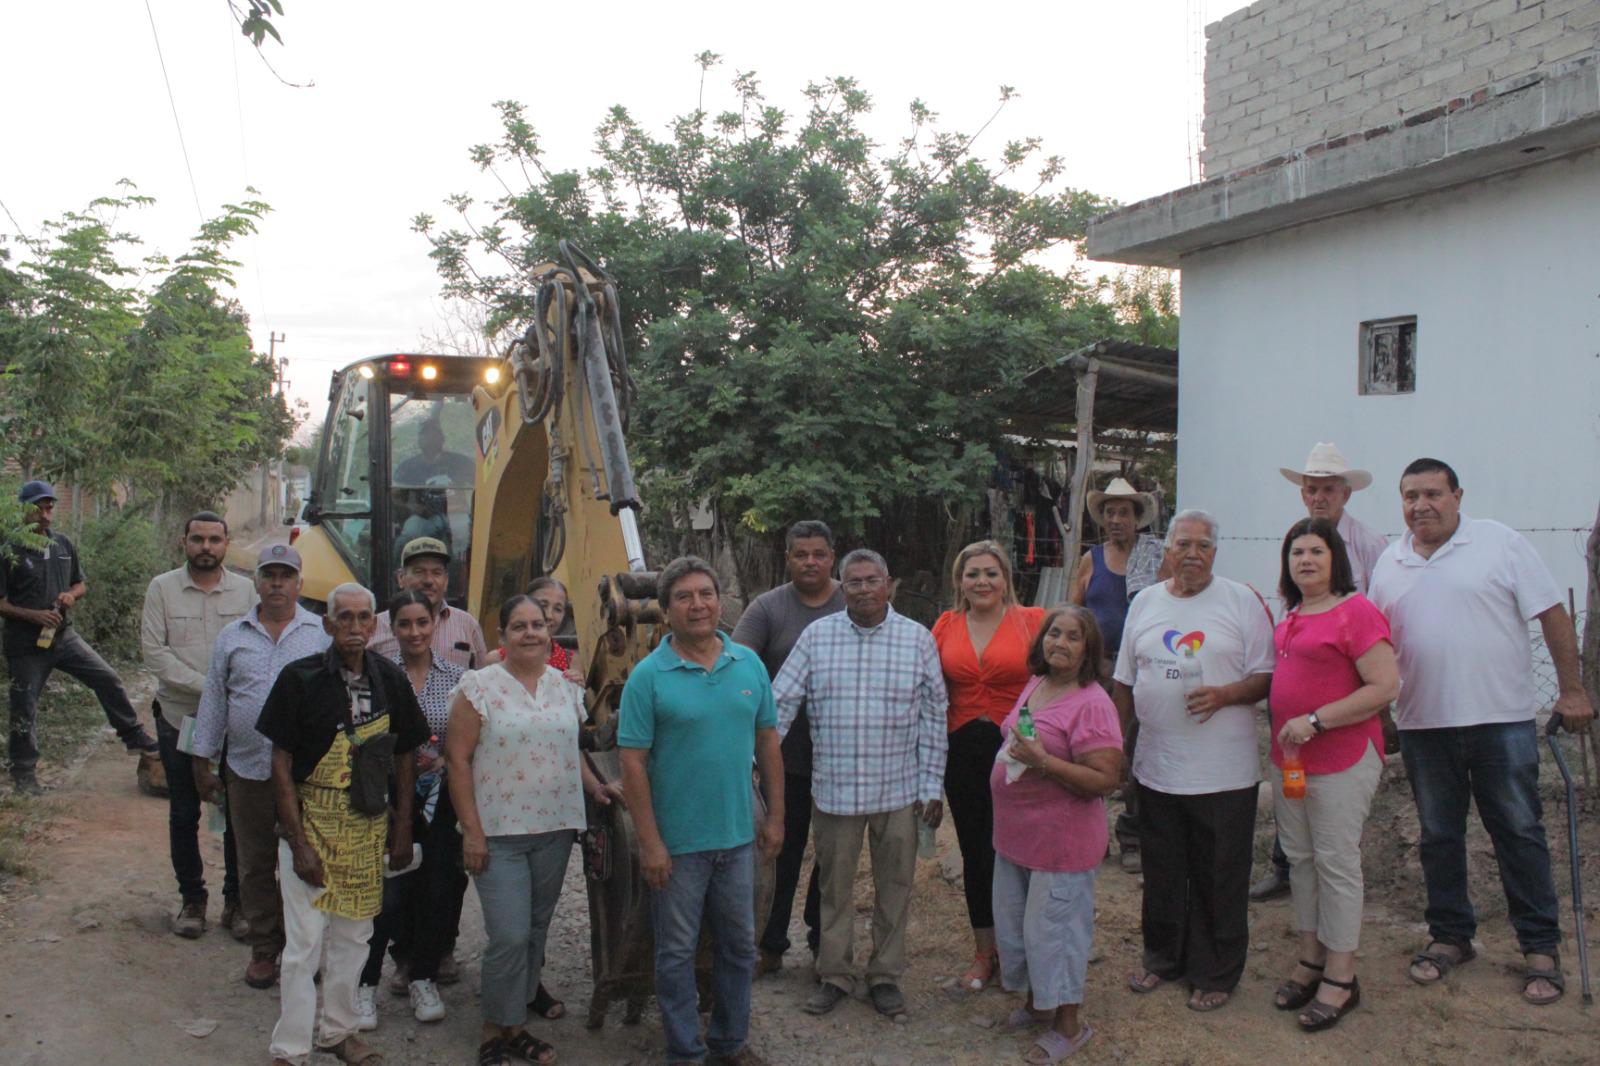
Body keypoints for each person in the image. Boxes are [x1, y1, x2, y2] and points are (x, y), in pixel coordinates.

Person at [1368, 458, 1595, 1006]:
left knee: (1518, 833)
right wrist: (1381, 716)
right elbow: (1375, 647)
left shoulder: (1500, 542)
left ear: (1457, 495)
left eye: (1432, 493)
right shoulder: (1389, 563)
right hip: (1425, 726)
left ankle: (1540, 948)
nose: (1420, 505)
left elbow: (1552, 615)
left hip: (1502, 721)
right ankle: (1450, 937)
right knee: (1439, 837)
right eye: (1409, 495)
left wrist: (1572, 689)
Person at [256, 582, 429, 1066]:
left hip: (366, 827)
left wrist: (402, 830)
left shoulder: (388, 679)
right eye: (344, 618)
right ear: (328, 625)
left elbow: (405, 755)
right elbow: (281, 763)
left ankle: (339, 1031)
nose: (354, 627)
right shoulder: (300, 679)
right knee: (304, 943)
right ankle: (290, 1047)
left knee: (355, 939)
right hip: (310, 824)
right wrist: (298, 841)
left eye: (363, 618)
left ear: (374, 626)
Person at [620, 556, 782, 1066]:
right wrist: (650, 843)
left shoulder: (747, 664)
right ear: (666, 611)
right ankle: (684, 1050)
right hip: (678, 845)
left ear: (720, 601)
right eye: (684, 597)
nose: (698, 605)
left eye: (706, 594)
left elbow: (767, 742)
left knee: (738, 948)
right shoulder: (648, 678)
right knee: (675, 954)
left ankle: (729, 1043)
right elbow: (632, 764)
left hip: (737, 839)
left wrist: (776, 816)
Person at [773, 548, 947, 1020]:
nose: (865, 589)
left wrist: (932, 785)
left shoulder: (917, 640)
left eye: (873, 580)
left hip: (899, 791)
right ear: (842, 586)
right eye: (854, 582)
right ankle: (835, 975)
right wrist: (756, 762)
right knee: (835, 888)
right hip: (836, 790)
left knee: (895, 886)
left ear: (889, 583)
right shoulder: (817, 636)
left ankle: (885, 976)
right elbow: (781, 703)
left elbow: (935, 716)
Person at [447, 594, 621, 1066]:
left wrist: (596, 787)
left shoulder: (565, 687)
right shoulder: (478, 687)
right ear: (501, 636)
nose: (530, 633)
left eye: (538, 625)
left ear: (550, 633)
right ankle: (493, 1029)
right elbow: (458, 761)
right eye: (518, 625)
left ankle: (514, 1021)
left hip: (556, 827)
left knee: (536, 930)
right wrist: (472, 831)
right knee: (508, 934)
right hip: (498, 833)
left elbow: (570, 749)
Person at [1115, 510, 1274, 1012]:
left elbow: (1267, 676)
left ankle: (1216, 970)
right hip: (1158, 767)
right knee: (1162, 871)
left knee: (1219, 873)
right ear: (1166, 552)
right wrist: (1118, 748)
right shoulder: (1145, 602)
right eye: (1183, 544)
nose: (1192, 554)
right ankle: (1163, 957)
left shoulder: (1241, 600)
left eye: (1203, 546)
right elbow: (1123, 680)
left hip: (1224, 773)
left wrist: (1225, 694)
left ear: (1215, 553)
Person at [1266, 518, 1398, 1031]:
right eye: (1296, 552)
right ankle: (1310, 957)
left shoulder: (1356, 613)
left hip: (1341, 757)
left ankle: (1341, 976)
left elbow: (1385, 686)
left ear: (1335, 559)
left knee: (1336, 863)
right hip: (1291, 764)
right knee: (1300, 861)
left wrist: (1316, 720)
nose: (1305, 560)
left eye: (1316, 551)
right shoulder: (1291, 615)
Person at [1254, 442, 1392, 901]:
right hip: (1297, 709)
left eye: (1327, 489)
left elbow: (1379, 614)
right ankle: (1288, 870)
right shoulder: (1298, 544)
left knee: (1333, 823)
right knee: (1295, 793)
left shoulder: (1370, 545)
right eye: (1311, 489)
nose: (1318, 497)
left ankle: (1334, 932)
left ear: (1345, 493)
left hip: (1347, 690)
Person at [192, 544, 330, 989]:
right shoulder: (233, 636)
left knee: (305, 859)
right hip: (246, 769)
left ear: (299, 584)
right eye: (268, 575)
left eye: (285, 576)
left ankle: (303, 948)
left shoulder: (319, 635)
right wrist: (202, 761)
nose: (276, 583)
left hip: (306, 775)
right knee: (254, 863)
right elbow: (214, 700)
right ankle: (265, 950)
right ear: (256, 582)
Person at [990, 606, 1122, 1064]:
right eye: (1053, 634)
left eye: (1072, 637)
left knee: (1056, 934)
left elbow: (1105, 779)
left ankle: (1070, 1025)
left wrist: (1043, 762)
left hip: (1060, 844)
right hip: (1018, 837)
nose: (1059, 644)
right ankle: (1036, 1002)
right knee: (1021, 928)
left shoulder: (1092, 702)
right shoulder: (1040, 683)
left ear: (1089, 650)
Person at [731, 519, 844, 976]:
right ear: (788, 558)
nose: (811, 562)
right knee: (781, 849)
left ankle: (823, 939)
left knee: (835, 854)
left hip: (844, 756)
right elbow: (738, 663)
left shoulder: (851, 600)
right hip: (785, 758)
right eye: (801, 554)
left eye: (819, 554)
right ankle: (770, 942)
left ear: (832, 557)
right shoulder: (767, 609)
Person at [931, 540, 1044, 991]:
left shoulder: (1033, 622)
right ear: (960, 581)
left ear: (1006, 579)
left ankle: (1031, 946)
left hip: (1017, 751)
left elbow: (1055, 679)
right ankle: (985, 951)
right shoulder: (945, 625)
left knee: (1022, 850)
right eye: (972, 573)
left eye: (991, 573)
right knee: (977, 852)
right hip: (961, 751)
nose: (982, 581)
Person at [141, 510, 256, 939]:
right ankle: (192, 899)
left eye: (214, 539)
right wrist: (209, 687)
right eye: (197, 539)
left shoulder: (246, 591)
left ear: (226, 544)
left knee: (236, 811)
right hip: (180, 718)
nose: (205, 547)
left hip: (234, 724)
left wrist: (226, 696)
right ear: (183, 542)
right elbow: (155, 653)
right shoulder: (162, 589)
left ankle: (236, 903)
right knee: (185, 811)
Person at [2, 480, 159, 793]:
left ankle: (132, 735)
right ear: (23, 510)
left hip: (63, 637)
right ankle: (23, 774)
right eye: (38, 508)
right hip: (25, 645)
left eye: (48, 507)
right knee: (25, 706)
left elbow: (80, 583)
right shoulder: (9, 549)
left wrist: (71, 596)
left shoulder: (62, 544)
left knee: (107, 678)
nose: (45, 514)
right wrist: (33, 615)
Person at [356, 590, 465, 1028]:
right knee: (387, 892)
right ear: (392, 628)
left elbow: (465, 738)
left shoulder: (458, 678)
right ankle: (365, 984)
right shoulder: (377, 677)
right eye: (405, 624)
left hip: (441, 799)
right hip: (387, 797)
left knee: (438, 887)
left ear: (434, 625)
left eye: (423, 622)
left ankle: (423, 975)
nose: (415, 632)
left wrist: (443, 761)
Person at [1070, 477, 1167, 875]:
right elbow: (1074, 610)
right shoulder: (1091, 559)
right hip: (1099, 670)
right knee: (1094, 750)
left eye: (1123, 513)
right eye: (1109, 512)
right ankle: (1089, 836)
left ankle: (1132, 835)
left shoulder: (1155, 557)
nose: (1115, 519)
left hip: (1143, 670)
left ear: (1137, 518)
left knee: (1135, 749)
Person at [369, 537, 487, 670]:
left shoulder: (467, 625)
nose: (429, 580)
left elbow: (483, 682)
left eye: (437, 573)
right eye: (419, 572)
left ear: (446, 580)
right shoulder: (376, 627)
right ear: (401, 578)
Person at [394, 420, 474, 486]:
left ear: (442, 439)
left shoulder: (462, 463)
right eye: (426, 435)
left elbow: (480, 490)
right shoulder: (406, 469)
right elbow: (398, 498)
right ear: (419, 441)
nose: (430, 439)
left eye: (434, 435)